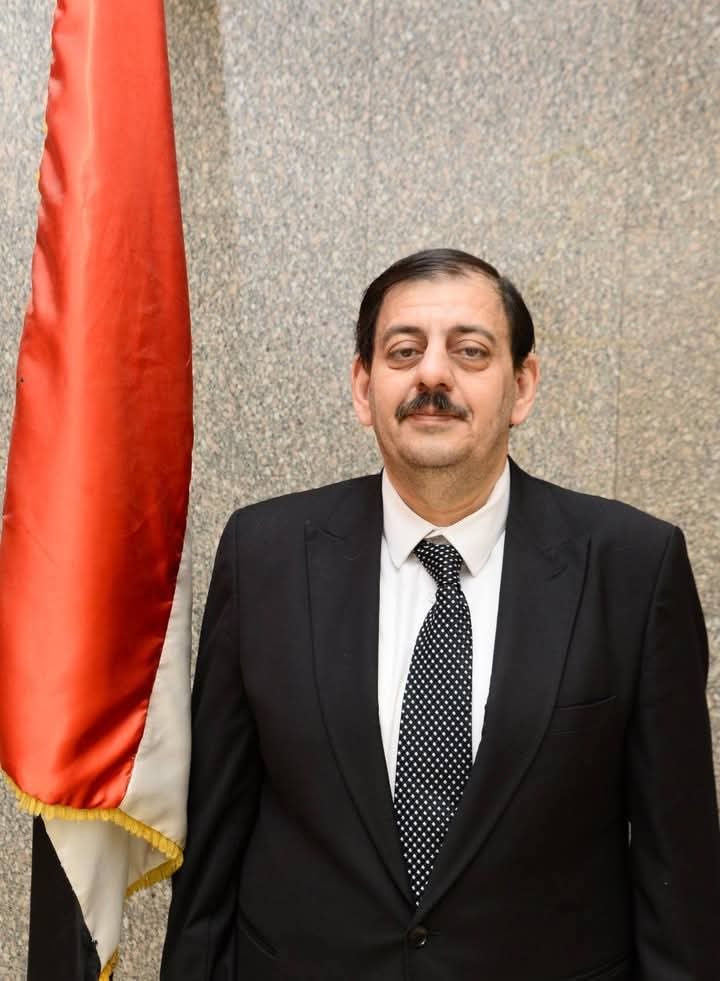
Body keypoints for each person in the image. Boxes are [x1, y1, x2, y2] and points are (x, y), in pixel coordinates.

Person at [160, 249, 720, 980]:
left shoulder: (635, 567)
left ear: (522, 386)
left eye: (470, 351)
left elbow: (678, 873)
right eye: (403, 351)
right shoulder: (263, 555)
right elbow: (211, 849)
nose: (432, 374)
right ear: (363, 387)